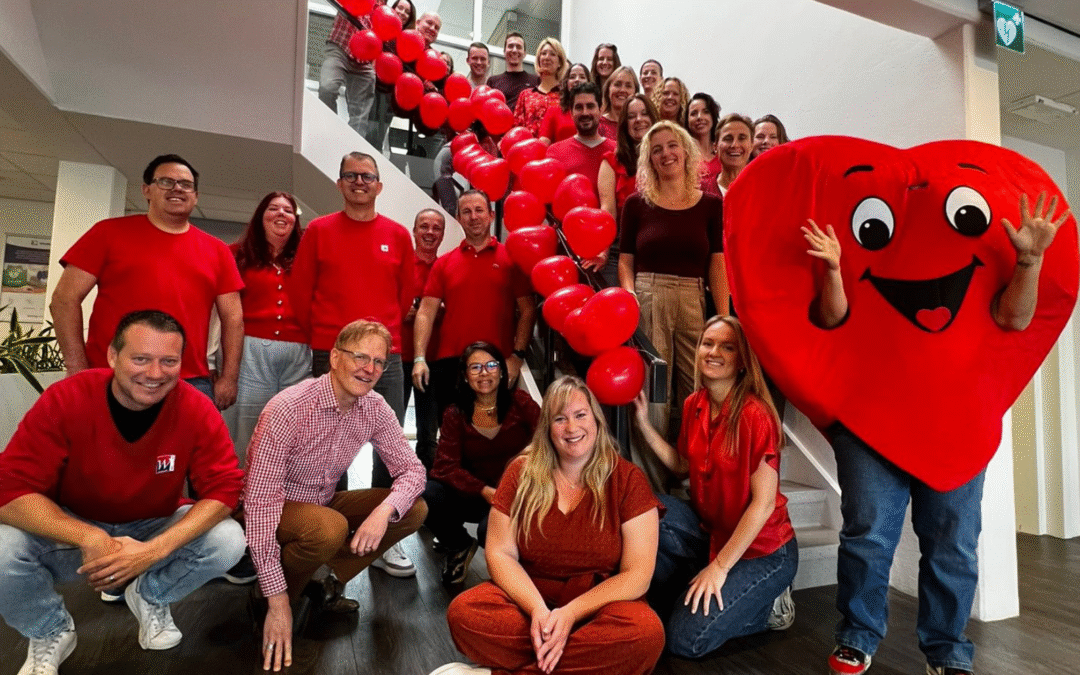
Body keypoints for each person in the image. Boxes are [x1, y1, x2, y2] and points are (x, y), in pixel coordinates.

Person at [802, 192, 1072, 675]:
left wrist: (1029, 260)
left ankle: (947, 650)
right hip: (870, 425)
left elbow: (1015, 318)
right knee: (868, 536)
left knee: (953, 544)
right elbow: (831, 319)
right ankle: (858, 637)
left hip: (957, 424)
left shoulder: (975, 260)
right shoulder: (865, 250)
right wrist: (836, 270)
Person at [0, 310, 246, 674]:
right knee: (2, 548)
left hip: (153, 524)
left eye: (169, 361)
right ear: (113, 356)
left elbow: (225, 488)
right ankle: (50, 630)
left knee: (229, 540)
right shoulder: (67, 397)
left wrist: (152, 552)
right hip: (73, 526)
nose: (155, 373)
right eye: (141, 358)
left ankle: (149, 595)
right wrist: (86, 534)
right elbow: (9, 487)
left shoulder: (195, 407)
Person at [433, 376, 665, 675]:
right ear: (547, 429)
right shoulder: (520, 472)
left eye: (580, 415)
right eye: (560, 419)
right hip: (530, 600)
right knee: (464, 614)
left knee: (645, 636)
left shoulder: (627, 478)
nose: (571, 428)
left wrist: (569, 615)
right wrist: (539, 612)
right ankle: (578, 662)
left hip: (599, 606)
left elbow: (638, 576)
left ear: (596, 420)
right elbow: (500, 553)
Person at [243, 319, 428, 672]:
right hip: (274, 507)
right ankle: (272, 597)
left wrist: (384, 510)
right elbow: (260, 504)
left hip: (322, 503)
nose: (369, 369)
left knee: (413, 509)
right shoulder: (289, 408)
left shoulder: (374, 406)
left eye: (378, 362)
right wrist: (277, 600)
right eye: (360, 356)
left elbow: (414, 471)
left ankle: (319, 581)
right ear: (334, 357)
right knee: (328, 528)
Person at [633, 315, 798, 658]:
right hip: (713, 533)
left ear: (742, 362)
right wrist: (644, 425)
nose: (713, 352)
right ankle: (701, 586)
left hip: (763, 550)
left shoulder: (756, 414)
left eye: (727, 346)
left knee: (683, 640)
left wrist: (720, 568)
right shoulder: (695, 405)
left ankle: (770, 607)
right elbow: (682, 466)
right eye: (708, 343)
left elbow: (763, 504)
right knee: (649, 510)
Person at [288, 151, 417, 575]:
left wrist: (378, 342)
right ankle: (330, 528)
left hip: (387, 357)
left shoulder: (398, 236)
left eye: (367, 176)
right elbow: (301, 292)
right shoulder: (319, 231)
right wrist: (331, 343)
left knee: (390, 442)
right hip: (332, 353)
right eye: (351, 175)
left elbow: (403, 298)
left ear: (379, 186)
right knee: (326, 444)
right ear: (340, 184)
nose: (359, 182)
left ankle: (385, 530)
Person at [50, 154, 244, 408]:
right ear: (147, 190)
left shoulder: (218, 251)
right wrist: (76, 367)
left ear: (195, 197)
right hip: (111, 377)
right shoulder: (107, 233)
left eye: (185, 184)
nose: (177, 188)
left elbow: (233, 319)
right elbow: (64, 299)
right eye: (166, 181)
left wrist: (229, 378)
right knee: (101, 448)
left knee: (185, 449)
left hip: (188, 381)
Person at [619, 121, 726, 456]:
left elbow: (717, 263)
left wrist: (725, 320)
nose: (666, 154)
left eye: (672, 145)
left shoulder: (710, 205)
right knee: (656, 391)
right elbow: (625, 262)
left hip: (694, 299)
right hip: (649, 296)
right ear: (649, 160)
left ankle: (693, 472)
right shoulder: (636, 205)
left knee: (698, 385)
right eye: (657, 149)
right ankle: (651, 481)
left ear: (686, 150)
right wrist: (630, 297)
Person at [423, 342, 540, 586]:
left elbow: (547, 441)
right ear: (465, 376)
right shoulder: (455, 413)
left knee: (490, 534)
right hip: (474, 494)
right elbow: (444, 467)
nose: (484, 372)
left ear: (501, 371)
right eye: (475, 367)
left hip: (516, 494)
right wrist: (485, 491)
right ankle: (459, 545)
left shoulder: (521, 402)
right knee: (427, 493)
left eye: (491, 365)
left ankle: (520, 572)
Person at [413, 190, 536, 422]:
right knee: (451, 438)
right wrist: (420, 358)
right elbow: (426, 313)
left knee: (491, 439)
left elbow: (528, 310)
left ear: (490, 216)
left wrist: (517, 357)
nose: (473, 216)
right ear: (458, 218)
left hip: (495, 365)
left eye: (479, 210)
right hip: (451, 364)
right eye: (466, 212)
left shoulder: (512, 259)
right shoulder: (443, 263)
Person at [230, 191, 311, 463]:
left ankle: (285, 497)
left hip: (299, 353)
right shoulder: (237, 255)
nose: (281, 214)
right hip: (252, 350)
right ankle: (241, 495)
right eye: (273, 208)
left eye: (288, 210)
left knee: (294, 427)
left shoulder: (306, 258)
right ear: (260, 216)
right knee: (250, 426)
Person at [318, 0, 416, 136]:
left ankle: (353, 145)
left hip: (364, 63)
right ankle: (330, 130)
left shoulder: (385, 15)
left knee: (361, 112)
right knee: (327, 87)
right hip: (340, 49)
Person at [595, 94, 658, 287]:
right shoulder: (611, 161)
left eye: (644, 114)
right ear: (624, 124)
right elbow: (608, 210)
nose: (639, 120)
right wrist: (603, 248)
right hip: (620, 248)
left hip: (658, 246)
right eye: (631, 116)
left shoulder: (668, 158)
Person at [402, 208, 447, 470]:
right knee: (388, 430)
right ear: (414, 230)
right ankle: (382, 491)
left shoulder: (446, 267)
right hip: (397, 359)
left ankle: (426, 489)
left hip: (434, 361)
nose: (429, 233)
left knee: (429, 432)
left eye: (436, 228)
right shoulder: (400, 266)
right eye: (424, 227)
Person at [365, 7, 438, 149]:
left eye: (436, 27)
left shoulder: (433, 58)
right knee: (372, 138)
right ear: (418, 22)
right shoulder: (401, 37)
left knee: (380, 141)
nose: (432, 28)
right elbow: (384, 61)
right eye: (429, 23)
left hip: (403, 111)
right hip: (380, 96)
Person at [545, 82, 616, 194]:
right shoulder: (554, 153)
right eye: (579, 107)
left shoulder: (617, 150)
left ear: (601, 110)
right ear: (571, 113)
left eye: (590, 106)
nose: (585, 112)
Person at [512, 37, 568, 138]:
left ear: (560, 62)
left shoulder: (567, 96)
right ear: (538, 59)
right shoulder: (525, 95)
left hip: (557, 151)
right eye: (543, 53)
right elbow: (517, 130)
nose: (547, 57)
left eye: (552, 54)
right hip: (529, 151)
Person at [537, 63, 590, 146]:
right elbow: (543, 143)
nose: (577, 80)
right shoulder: (554, 110)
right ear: (567, 83)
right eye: (572, 77)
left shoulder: (595, 111)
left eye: (582, 77)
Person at [486, 32, 539, 111]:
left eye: (518, 47)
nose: (514, 50)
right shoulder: (493, 81)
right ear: (504, 52)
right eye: (510, 46)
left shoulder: (536, 81)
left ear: (524, 53)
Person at [686, 93, 721, 193]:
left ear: (713, 116)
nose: (699, 117)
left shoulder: (723, 149)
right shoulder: (683, 154)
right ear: (687, 120)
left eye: (706, 112)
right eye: (693, 113)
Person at [714, 113, 754, 196]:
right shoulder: (700, 191)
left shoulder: (764, 191)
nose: (735, 145)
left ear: (751, 146)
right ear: (715, 147)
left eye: (742, 138)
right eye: (728, 139)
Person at [598, 65, 639, 141]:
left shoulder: (640, 125)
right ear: (608, 90)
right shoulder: (597, 125)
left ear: (635, 92)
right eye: (617, 84)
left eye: (628, 86)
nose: (622, 90)